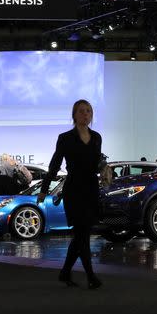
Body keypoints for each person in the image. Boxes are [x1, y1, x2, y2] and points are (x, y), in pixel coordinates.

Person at [38, 99, 104, 289]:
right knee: (82, 234)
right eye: (82, 111)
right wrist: (44, 190)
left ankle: (65, 272)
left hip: (91, 188)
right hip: (74, 189)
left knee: (82, 234)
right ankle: (91, 276)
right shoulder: (65, 138)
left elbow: (96, 162)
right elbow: (55, 164)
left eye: (89, 111)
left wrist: (105, 167)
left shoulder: (97, 137)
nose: (86, 114)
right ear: (74, 115)